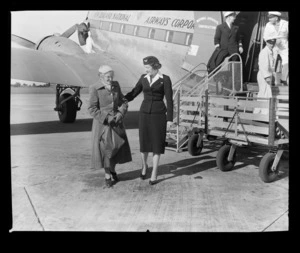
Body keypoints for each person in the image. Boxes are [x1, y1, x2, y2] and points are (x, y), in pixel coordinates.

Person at [124, 56, 173, 185]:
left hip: (159, 114)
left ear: (155, 66)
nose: (146, 70)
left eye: (148, 68)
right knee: (144, 142)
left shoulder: (165, 79)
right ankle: (144, 166)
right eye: (145, 68)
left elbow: (169, 100)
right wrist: (121, 100)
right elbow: (134, 93)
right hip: (144, 113)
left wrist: (170, 119)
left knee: (157, 143)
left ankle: (154, 172)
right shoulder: (143, 78)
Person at [88, 65, 132, 188]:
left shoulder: (116, 85)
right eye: (108, 77)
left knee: (116, 148)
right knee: (105, 150)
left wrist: (120, 113)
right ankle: (108, 175)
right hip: (102, 124)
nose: (110, 79)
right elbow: (92, 109)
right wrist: (107, 118)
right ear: (101, 76)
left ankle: (112, 169)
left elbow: (124, 102)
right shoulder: (94, 88)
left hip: (116, 122)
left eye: (111, 77)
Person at [253, 34, 277, 114]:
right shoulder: (264, 52)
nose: (272, 44)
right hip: (263, 76)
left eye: (273, 42)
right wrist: (267, 77)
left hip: (267, 75)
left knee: (265, 94)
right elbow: (263, 66)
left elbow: (271, 66)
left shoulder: (270, 52)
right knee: (264, 93)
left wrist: (273, 76)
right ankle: (261, 113)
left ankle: (259, 113)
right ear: (266, 42)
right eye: (270, 42)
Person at [263, 11, 288, 85]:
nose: (269, 19)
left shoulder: (285, 24)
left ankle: (283, 79)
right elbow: (265, 37)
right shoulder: (268, 25)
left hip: (284, 45)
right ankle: (271, 80)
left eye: (271, 18)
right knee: (271, 62)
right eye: (269, 17)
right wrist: (273, 41)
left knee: (287, 61)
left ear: (276, 18)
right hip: (272, 45)